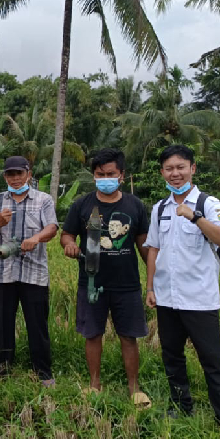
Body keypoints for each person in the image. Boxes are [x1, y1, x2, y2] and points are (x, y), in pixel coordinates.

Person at [144, 144, 220, 428]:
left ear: (192, 169)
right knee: (172, 356)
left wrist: (196, 218)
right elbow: (153, 249)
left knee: (211, 359)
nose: (175, 173)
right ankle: (181, 406)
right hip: (167, 298)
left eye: (180, 167)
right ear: (162, 172)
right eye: (169, 169)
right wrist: (150, 287)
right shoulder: (159, 208)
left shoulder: (208, 203)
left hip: (199, 299)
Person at [61, 148, 151, 408]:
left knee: (128, 336)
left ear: (121, 175)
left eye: (111, 174)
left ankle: (134, 387)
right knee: (93, 334)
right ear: (94, 176)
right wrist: (69, 245)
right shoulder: (82, 204)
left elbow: (143, 245)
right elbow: (67, 235)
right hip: (91, 282)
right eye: (100, 174)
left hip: (127, 284)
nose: (105, 178)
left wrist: (154, 279)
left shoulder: (135, 205)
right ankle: (94, 384)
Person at [0, 156, 59, 387]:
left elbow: (52, 228)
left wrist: (35, 238)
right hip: (4, 274)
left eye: (19, 174)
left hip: (35, 273)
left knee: (37, 324)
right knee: (3, 324)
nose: (15, 179)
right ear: (5, 177)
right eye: (10, 174)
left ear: (28, 174)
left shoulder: (43, 200)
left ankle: (43, 371)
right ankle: (3, 368)